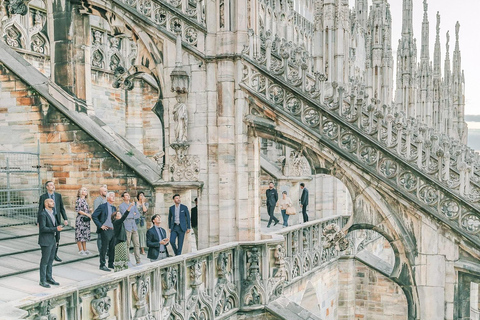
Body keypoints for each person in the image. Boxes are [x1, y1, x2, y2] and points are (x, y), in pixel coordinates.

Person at [38, 181, 68, 262]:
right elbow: (40, 209)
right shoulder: (43, 197)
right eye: (51, 185)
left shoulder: (58, 196)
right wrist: (38, 221)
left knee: (57, 237)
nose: (53, 186)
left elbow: (61, 208)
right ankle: (47, 252)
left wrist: (65, 218)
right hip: (47, 219)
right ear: (47, 187)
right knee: (49, 234)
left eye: (53, 185)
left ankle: (55, 254)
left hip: (56, 218)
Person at [38, 198, 63, 288]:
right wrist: (55, 229)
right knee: (44, 261)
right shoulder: (43, 214)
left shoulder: (53, 213)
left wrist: (57, 228)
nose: (53, 203)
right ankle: (42, 280)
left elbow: (54, 226)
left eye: (53, 201)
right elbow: (42, 228)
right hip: (45, 240)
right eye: (51, 202)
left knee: (51, 260)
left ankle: (49, 278)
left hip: (52, 240)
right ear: (46, 204)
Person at [92, 191, 117, 272]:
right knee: (104, 248)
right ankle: (102, 264)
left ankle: (111, 263)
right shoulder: (102, 206)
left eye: (114, 196)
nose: (114, 197)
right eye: (112, 196)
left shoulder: (114, 208)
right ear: (108, 197)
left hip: (113, 230)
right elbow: (94, 216)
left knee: (112, 248)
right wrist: (100, 225)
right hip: (105, 229)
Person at [112, 201, 135, 272]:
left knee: (124, 257)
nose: (120, 215)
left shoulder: (119, 222)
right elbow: (124, 216)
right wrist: (130, 206)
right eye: (118, 214)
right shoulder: (116, 222)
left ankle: (123, 269)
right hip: (119, 242)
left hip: (122, 241)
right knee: (121, 257)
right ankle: (120, 270)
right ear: (116, 217)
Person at [119, 192, 141, 266]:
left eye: (129, 195)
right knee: (127, 245)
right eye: (126, 195)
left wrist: (133, 215)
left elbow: (138, 215)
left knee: (137, 244)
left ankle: (138, 261)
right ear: (123, 197)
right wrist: (133, 215)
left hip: (134, 226)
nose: (128, 196)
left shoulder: (133, 205)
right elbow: (125, 216)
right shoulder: (121, 206)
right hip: (127, 227)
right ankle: (127, 261)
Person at [75, 187, 92, 255]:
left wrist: (89, 210)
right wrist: (87, 214)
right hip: (80, 219)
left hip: (85, 220)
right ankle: (80, 249)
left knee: (84, 234)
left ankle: (85, 249)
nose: (86, 191)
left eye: (86, 190)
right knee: (79, 234)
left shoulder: (85, 200)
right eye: (84, 190)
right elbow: (78, 210)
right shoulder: (79, 200)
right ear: (81, 192)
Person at [93, 185, 108, 252]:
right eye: (105, 191)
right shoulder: (97, 200)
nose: (106, 192)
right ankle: (101, 252)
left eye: (107, 191)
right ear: (101, 192)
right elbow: (96, 212)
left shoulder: (106, 200)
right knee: (100, 238)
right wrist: (99, 224)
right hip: (101, 222)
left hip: (107, 221)